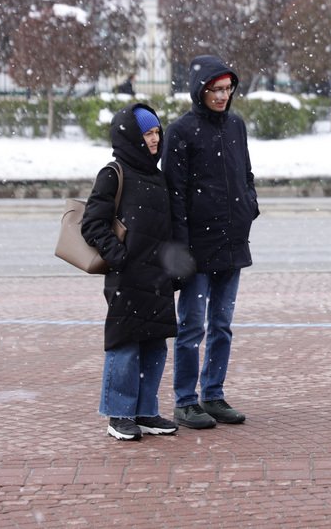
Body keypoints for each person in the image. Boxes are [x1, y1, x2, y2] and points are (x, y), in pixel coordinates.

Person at [81, 103, 189, 440]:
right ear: (131, 136)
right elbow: (93, 224)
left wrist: (174, 269)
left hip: (156, 278)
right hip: (126, 277)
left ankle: (145, 412)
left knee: (155, 346)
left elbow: (167, 228)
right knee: (125, 345)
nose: (155, 138)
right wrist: (120, 258)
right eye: (148, 132)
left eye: (157, 131)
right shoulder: (113, 173)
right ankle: (119, 415)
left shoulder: (157, 176)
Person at [163, 55, 259, 429]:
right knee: (191, 328)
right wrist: (182, 250)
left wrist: (249, 207)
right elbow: (175, 195)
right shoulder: (181, 131)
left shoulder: (236, 125)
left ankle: (213, 394)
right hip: (196, 250)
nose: (222, 96)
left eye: (227, 89)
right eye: (215, 90)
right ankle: (185, 401)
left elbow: (246, 175)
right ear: (199, 90)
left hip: (233, 244)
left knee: (222, 325)